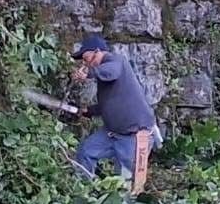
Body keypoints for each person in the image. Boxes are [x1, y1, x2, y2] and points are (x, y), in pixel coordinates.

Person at [69, 33, 162, 194]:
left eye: (86, 58)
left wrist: (89, 74)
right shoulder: (105, 77)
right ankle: (84, 194)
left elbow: (111, 72)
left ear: (97, 51)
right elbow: (110, 104)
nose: (85, 63)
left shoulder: (116, 61)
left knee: (125, 185)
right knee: (86, 151)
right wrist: (88, 111)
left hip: (134, 136)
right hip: (112, 133)